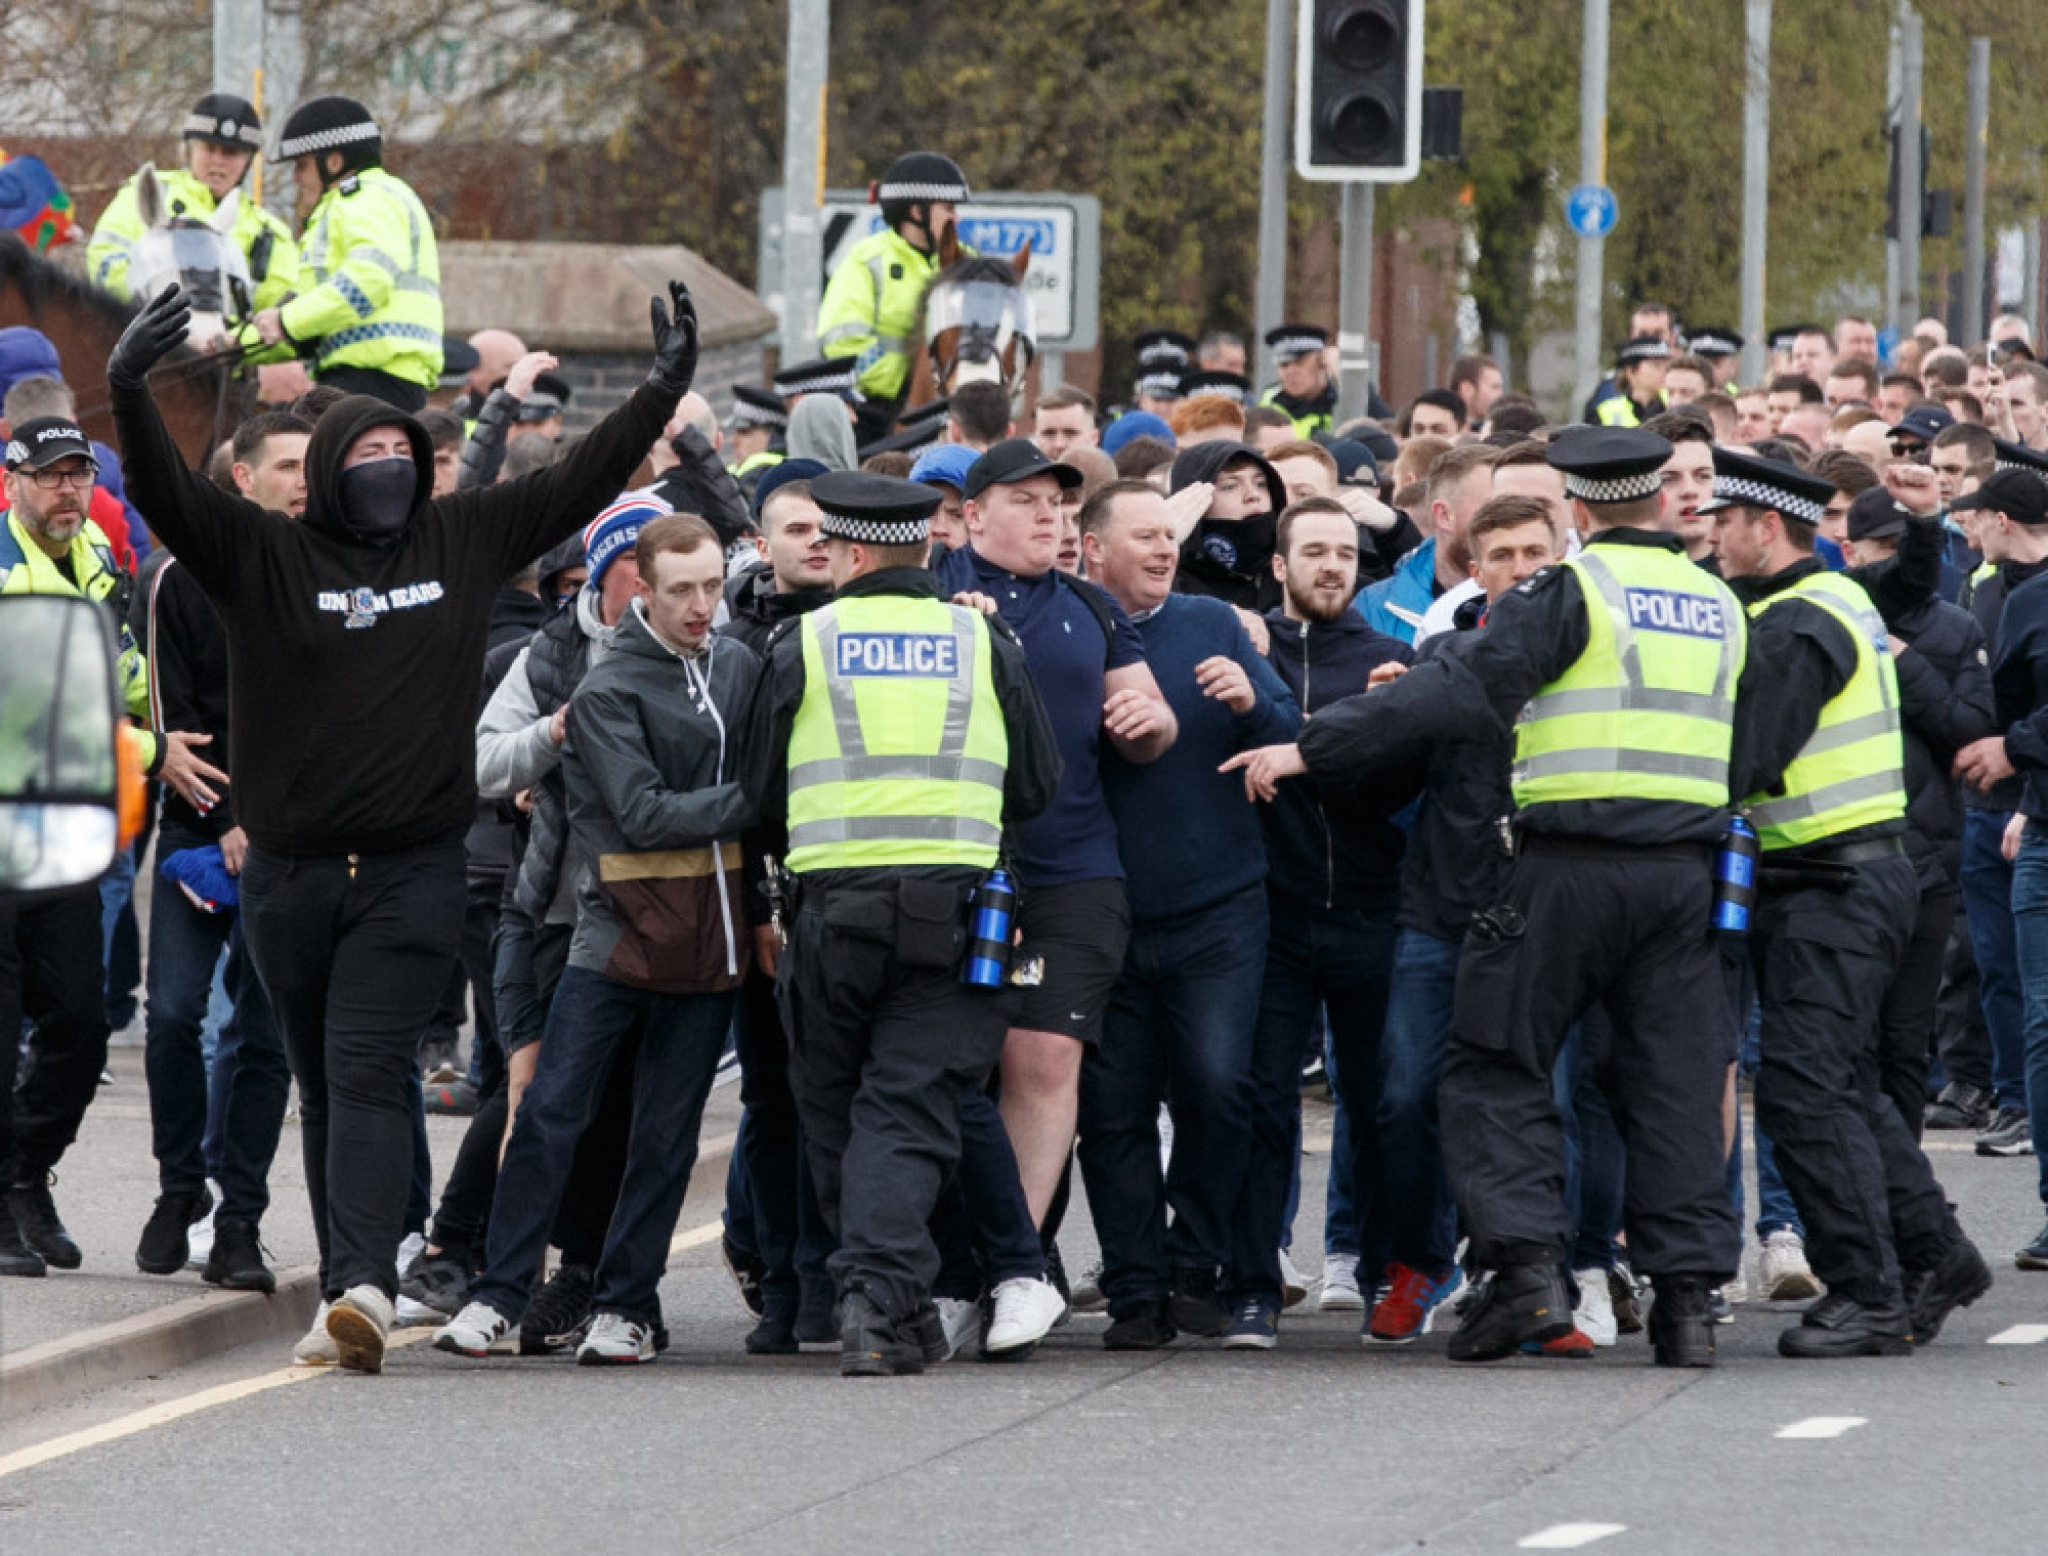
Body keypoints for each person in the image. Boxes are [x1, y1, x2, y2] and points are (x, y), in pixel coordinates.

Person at [107, 276, 703, 1369]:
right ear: (328, 467)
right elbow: (160, 492)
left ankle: (364, 1282)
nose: (386, 470)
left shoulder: (461, 537)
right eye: (364, 454)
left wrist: (660, 391)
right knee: (323, 1078)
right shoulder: (260, 554)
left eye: (402, 454)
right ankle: (349, 1279)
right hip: (286, 874)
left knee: (367, 1060)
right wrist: (128, 385)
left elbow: (572, 481)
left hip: (410, 871)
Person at [1228, 428, 1747, 1368]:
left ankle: (1524, 1276)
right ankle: (1686, 1306)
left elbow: (1462, 688)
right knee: (1670, 1086)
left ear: (1578, 513)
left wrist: (1313, 745)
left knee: (1496, 1064)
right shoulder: (1716, 601)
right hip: (1682, 874)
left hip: (1566, 865)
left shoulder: (1572, 593)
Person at [736, 470, 1062, 1375]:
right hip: (950, 915)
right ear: (931, 545)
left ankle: (886, 1302)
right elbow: (1036, 785)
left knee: (839, 1111)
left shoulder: (803, 641)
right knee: (907, 1110)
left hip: (830, 913)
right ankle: (881, 1306)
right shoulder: (981, 640)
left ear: (844, 552)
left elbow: (758, 792)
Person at [435, 514, 758, 1366]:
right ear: (637, 592)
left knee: (665, 1133)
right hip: (610, 931)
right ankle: (499, 1295)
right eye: (680, 589)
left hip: (710, 940)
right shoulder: (610, 683)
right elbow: (641, 813)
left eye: (711, 586)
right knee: (548, 1114)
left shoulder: (738, 664)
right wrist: (755, 798)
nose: (699, 605)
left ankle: (628, 1307)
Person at [1706, 448, 1992, 1357]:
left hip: (1832, 880)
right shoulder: (1828, 604)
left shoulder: (1798, 623)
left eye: (1724, 522)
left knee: (1807, 1090)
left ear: (1765, 527)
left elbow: (1747, 759)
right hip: (1844, 878)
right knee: (1843, 1088)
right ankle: (1934, 1254)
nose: (1712, 535)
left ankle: (1869, 1288)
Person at [1062, 480, 1299, 1349]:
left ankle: (1196, 1260)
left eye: (1171, 536)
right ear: (1094, 548)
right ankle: (1135, 1291)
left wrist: (1249, 699)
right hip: (1105, 909)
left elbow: (1289, 727)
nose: (1166, 550)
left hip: (1219, 909)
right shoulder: (1066, 629)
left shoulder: (1211, 625)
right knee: (1112, 1108)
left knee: (1217, 1085)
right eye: (1145, 537)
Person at [931, 441, 1177, 1241]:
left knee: (1043, 1061)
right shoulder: (933, 592)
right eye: (1027, 501)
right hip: (951, 870)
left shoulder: (1091, 604)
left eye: (1059, 503)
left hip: (1072, 871)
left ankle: (1016, 1263)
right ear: (972, 516)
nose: (1051, 517)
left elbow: (1146, 716)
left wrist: (1152, 724)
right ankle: (950, 1264)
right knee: (952, 1069)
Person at [1, 416, 224, 1277]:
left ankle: (24, 1172)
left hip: (58, 825)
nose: (67, 490)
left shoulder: (95, 553)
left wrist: (187, 719)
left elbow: (128, 672)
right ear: (13, 481)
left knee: (80, 1023)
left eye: (78, 475)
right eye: (50, 475)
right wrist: (152, 752)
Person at [131, 412, 310, 1293]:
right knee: (170, 1014)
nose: (304, 481)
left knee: (261, 1032)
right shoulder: (174, 578)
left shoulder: (323, 573)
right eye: (287, 465)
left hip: (290, 840)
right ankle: (178, 1189)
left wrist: (264, 814)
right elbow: (175, 730)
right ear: (244, 478)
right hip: (198, 832)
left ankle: (240, 1221)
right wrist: (233, 809)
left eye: (312, 465)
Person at [1233, 496, 1411, 1341]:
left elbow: (1404, 785)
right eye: (1314, 552)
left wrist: (1390, 719)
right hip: (1272, 917)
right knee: (1260, 1102)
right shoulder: (1244, 647)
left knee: (1381, 1104)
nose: (1333, 566)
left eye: (1346, 553)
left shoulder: (1390, 659)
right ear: (1279, 565)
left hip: (1376, 912)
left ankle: (1380, 1273)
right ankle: (1253, 1280)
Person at [251, 96, 443, 412]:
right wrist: (231, 343)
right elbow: (301, 312)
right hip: (366, 377)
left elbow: (366, 281)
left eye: (302, 165)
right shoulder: (347, 206)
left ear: (334, 162)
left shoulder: (367, 198)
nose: (296, 178)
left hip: (376, 380)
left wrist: (286, 321)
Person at [87, 94, 300, 325]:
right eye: (208, 149)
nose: (218, 161)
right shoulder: (149, 193)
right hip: (149, 338)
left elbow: (281, 303)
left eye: (231, 152)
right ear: (188, 151)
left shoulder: (268, 230)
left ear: (248, 162)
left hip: (225, 351)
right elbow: (104, 263)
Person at [818, 151, 973, 444]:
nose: (957, 218)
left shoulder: (966, 262)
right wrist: (910, 377)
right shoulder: (866, 260)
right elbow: (842, 344)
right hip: (877, 412)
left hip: (957, 409)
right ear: (917, 212)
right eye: (949, 209)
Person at [1258, 324, 1337, 438]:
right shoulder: (1269, 401)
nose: (1291, 372)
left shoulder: (1342, 397)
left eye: (1299, 362)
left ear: (1322, 361)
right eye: (1284, 365)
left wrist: (1339, 372)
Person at [1589, 337, 1671, 426]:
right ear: (1631, 371)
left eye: (1665, 365)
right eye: (1656, 365)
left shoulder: (1674, 404)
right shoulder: (1604, 413)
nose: (1664, 370)